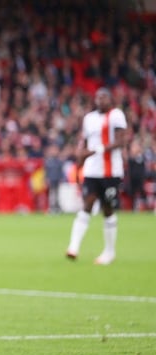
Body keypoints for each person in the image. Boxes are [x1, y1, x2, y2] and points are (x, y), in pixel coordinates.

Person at [66, 87, 127, 265]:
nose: (100, 100)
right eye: (97, 97)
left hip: (110, 171)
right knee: (87, 203)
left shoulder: (116, 115)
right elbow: (84, 143)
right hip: (92, 170)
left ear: (110, 99)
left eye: (103, 97)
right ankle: (73, 247)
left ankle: (109, 252)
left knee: (107, 209)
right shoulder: (89, 118)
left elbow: (121, 141)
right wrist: (79, 162)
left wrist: (95, 151)